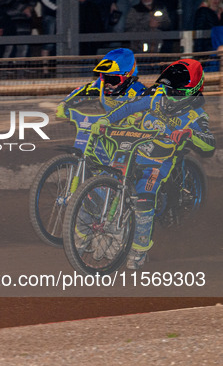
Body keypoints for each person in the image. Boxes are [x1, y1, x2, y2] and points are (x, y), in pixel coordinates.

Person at [91, 59, 215, 269]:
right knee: (104, 185)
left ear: (189, 93)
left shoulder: (196, 116)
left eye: (172, 92)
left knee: (143, 200)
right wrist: (106, 120)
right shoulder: (156, 97)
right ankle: (106, 229)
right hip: (132, 150)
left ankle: (139, 250)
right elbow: (129, 108)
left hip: (158, 161)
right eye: (165, 88)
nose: (166, 95)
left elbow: (210, 144)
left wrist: (189, 133)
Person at [57, 48, 146, 118]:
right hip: (107, 127)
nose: (108, 84)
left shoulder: (139, 91)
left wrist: (140, 115)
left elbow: (153, 109)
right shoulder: (101, 84)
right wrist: (64, 103)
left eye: (114, 80)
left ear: (127, 77)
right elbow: (83, 91)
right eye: (106, 78)